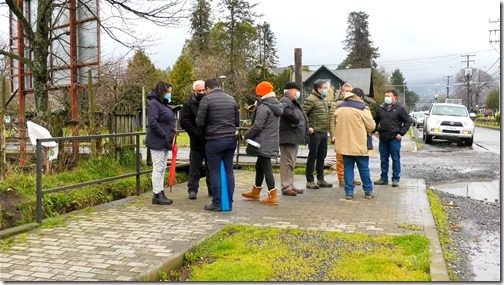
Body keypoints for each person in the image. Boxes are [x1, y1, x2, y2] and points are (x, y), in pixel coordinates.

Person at [196, 78, 239, 211]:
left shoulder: (206, 100)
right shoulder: (231, 99)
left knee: (214, 172)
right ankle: (229, 202)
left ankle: (217, 203)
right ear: (218, 86)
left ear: (208, 89)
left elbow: (200, 122)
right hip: (231, 140)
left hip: (215, 140)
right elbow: (237, 122)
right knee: (228, 170)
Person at [242, 81, 283, 205]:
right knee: (259, 166)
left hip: (262, 142)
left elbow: (258, 126)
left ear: (261, 94)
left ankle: (272, 195)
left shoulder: (264, 107)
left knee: (266, 167)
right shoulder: (276, 105)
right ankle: (256, 191)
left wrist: (246, 135)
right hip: (272, 140)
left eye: (258, 94)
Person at [333, 91, 376, 200]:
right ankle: (368, 191)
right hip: (360, 144)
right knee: (364, 168)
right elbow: (371, 126)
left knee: (348, 168)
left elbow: (335, 124)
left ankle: (349, 193)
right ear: (360, 97)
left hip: (344, 145)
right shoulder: (362, 108)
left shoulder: (339, 108)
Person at [373, 89, 412, 187]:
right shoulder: (381, 108)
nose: (386, 98)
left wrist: (401, 133)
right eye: (385, 95)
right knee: (383, 159)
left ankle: (395, 179)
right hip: (383, 138)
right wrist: (376, 130)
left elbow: (408, 121)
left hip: (394, 138)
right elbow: (375, 120)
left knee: (395, 159)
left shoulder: (400, 109)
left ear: (394, 98)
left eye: (388, 96)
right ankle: (383, 178)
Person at [180, 80, 212, 200]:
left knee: (211, 167)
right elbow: (184, 121)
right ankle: (192, 189)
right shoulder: (188, 104)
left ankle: (212, 189)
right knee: (194, 167)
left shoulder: (210, 101)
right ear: (194, 91)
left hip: (209, 139)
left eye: (204, 90)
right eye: (199, 91)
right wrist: (194, 132)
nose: (202, 92)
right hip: (196, 140)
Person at [145, 81, 176, 205]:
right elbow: (152, 122)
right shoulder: (154, 104)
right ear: (163, 91)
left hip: (165, 141)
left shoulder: (163, 105)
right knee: (158, 167)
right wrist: (164, 134)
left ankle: (160, 191)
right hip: (158, 140)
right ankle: (157, 193)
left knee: (162, 167)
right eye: (168, 92)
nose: (170, 95)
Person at [278, 82, 309, 196]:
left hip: (293, 137)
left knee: (291, 162)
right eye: (296, 90)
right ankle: (286, 186)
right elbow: (289, 114)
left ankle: (290, 184)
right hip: (288, 137)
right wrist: (296, 121)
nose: (298, 93)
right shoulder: (285, 102)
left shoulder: (292, 102)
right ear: (290, 91)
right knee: (287, 163)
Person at [330, 83, 362, 187]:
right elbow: (332, 121)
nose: (349, 93)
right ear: (342, 91)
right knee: (340, 158)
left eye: (350, 91)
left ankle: (350, 178)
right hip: (340, 134)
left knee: (350, 158)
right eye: (347, 90)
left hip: (351, 135)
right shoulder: (337, 104)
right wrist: (333, 134)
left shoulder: (353, 103)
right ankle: (342, 178)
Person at [303, 80, 332, 189]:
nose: (326, 90)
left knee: (322, 156)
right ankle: (310, 180)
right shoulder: (310, 99)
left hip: (324, 132)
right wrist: (308, 127)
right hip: (315, 132)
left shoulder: (323, 100)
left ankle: (320, 179)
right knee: (313, 156)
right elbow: (302, 114)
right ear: (319, 89)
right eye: (325, 88)